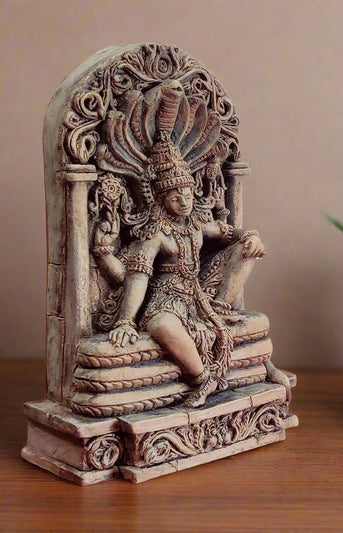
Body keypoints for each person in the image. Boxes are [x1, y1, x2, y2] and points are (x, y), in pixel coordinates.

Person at [94, 130, 265, 407]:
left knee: (247, 248)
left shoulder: (197, 224)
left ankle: (220, 307)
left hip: (199, 293)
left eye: (187, 195)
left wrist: (250, 236)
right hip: (167, 298)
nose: (184, 202)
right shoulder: (155, 235)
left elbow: (227, 232)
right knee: (161, 326)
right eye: (176, 198)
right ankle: (203, 378)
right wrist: (126, 320)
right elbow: (137, 277)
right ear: (162, 199)